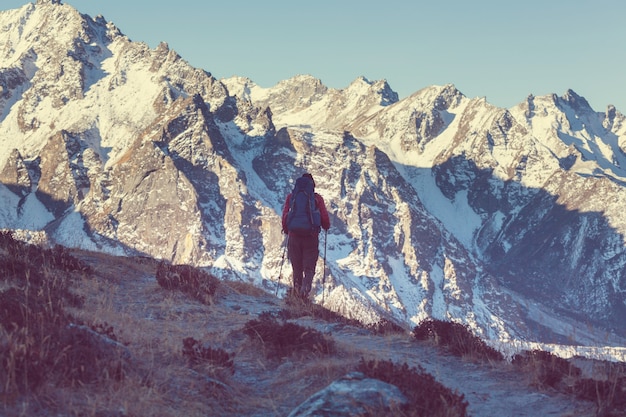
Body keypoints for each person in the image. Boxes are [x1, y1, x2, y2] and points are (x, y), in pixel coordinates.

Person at [281, 173, 330, 299]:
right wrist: (326, 226)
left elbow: (285, 215)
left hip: (294, 237)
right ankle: (304, 292)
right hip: (311, 237)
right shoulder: (317, 198)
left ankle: (296, 295)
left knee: (296, 267)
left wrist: (287, 230)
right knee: (309, 268)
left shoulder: (291, 197)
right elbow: (324, 218)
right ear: (312, 185)